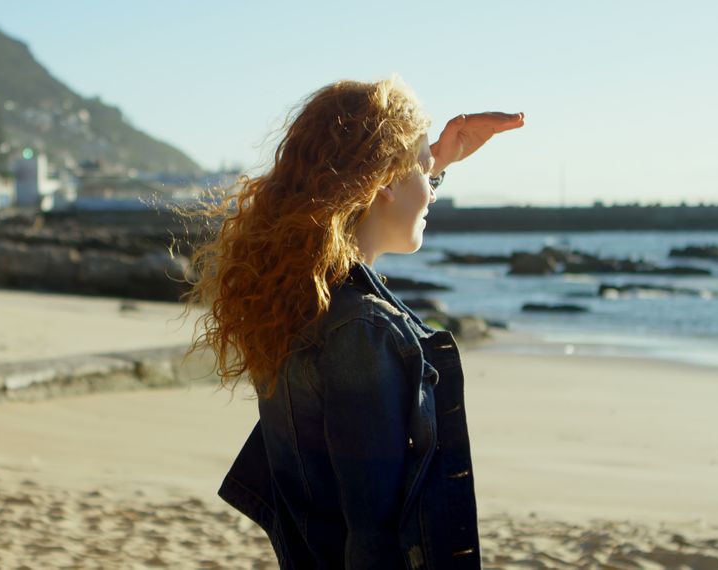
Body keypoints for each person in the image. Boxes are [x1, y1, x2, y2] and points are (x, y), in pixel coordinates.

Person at [185, 77, 524, 568]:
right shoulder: (361, 331)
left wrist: (430, 159)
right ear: (382, 181)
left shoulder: (300, 301)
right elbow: (374, 538)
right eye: (426, 175)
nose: (431, 194)